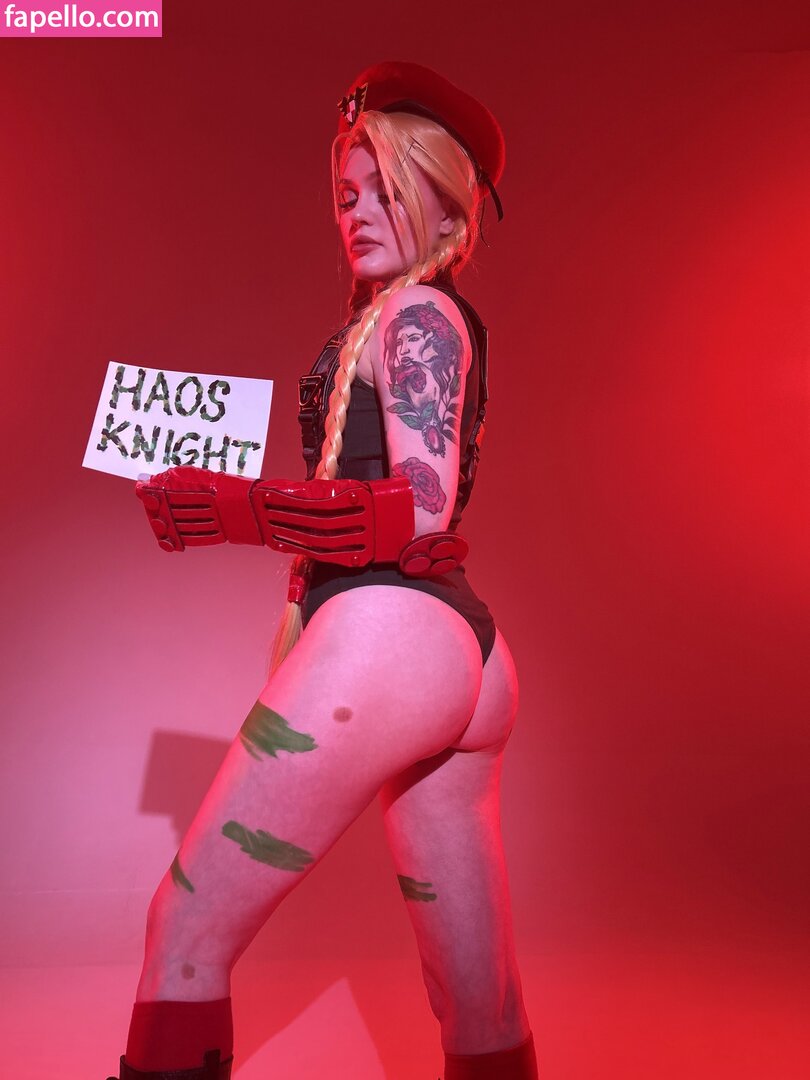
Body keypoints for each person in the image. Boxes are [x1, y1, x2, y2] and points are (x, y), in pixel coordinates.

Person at [107, 60, 538, 1080]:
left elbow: (419, 508)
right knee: (478, 1002)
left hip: (393, 637)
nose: (357, 213)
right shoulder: (394, 320)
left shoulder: (416, 317)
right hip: (454, 656)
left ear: (446, 200)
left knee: (183, 930)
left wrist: (236, 509)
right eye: (346, 195)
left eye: (386, 188)